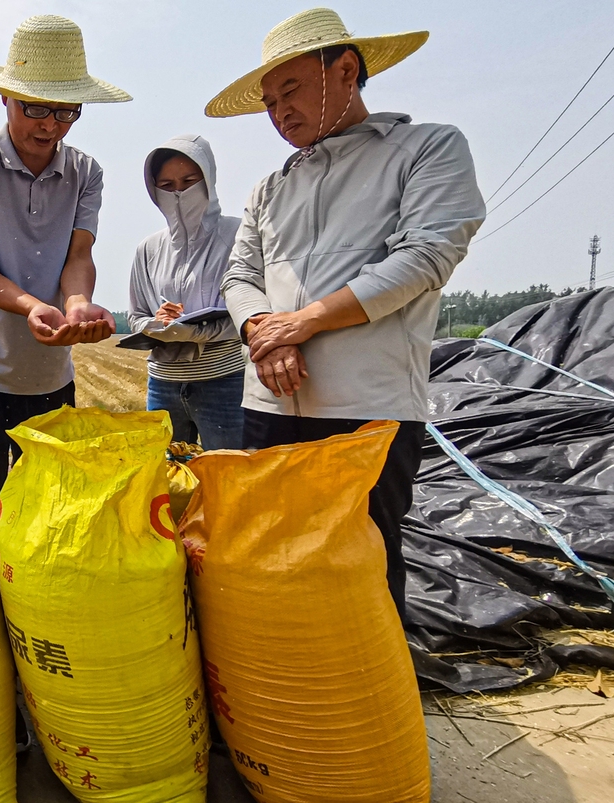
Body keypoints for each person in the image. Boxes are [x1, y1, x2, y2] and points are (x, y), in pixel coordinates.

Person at [208, 8, 486, 620]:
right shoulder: (269, 188)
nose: (279, 113)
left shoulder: (425, 148)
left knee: (363, 557)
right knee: (276, 555)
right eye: (269, 101)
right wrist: (263, 330)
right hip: (270, 401)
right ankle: (290, 691)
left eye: (291, 91)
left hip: (367, 404)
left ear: (347, 72)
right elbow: (240, 277)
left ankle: (373, 704)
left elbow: (425, 255)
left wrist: (305, 322)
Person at [0, 15, 131, 502]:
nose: (51, 125)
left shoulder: (86, 172)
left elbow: (78, 255)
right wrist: (31, 306)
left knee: (44, 514)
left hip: (48, 375)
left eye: (67, 112)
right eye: (36, 108)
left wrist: (78, 301)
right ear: (4, 97)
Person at [128, 136, 245, 449]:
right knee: (166, 482)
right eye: (166, 184)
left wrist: (195, 334)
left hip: (225, 380)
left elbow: (252, 312)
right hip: (162, 383)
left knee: (228, 478)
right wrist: (157, 324)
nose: (178, 192)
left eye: (189, 181)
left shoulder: (239, 235)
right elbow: (136, 314)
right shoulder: (148, 248)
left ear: (209, 178)